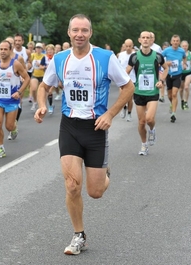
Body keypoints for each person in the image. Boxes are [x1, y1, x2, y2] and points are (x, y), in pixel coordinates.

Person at [34, 14, 134, 255]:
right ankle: (79, 235)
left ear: (90, 33)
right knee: (71, 185)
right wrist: (42, 105)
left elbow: (128, 87)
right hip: (69, 126)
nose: (80, 34)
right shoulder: (59, 59)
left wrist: (110, 114)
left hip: (96, 128)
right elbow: (43, 86)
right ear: (69, 33)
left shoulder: (105, 58)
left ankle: (104, 172)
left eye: (84, 30)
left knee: (95, 192)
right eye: (75, 30)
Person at [0, 40, 30, 158]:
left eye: (5, 49)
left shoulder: (16, 64)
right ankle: (0, 148)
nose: (3, 51)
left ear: (10, 50)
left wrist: (19, 92)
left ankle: (14, 129)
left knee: (9, 126)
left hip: (12, 100)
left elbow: (27, 78)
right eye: (1, 49)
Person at [126, 31, 168, 155]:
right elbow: (126, 72)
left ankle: (152, 129)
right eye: (143, 38)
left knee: (149, 119)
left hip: (152, 91)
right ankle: (144, 145)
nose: (145, 40)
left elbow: (166, 68)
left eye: (147, 38)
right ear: (139, 40)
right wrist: (127, 83)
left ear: (151, 41)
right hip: (139, 92)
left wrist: (161, 80)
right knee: (141, 122)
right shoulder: (134, 57)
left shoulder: (157, 56)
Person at [162, 34, 186, 123]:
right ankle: (172, 104)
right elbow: (159, 58)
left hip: (178, 74)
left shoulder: (181, 51)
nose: (175, 42)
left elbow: (184, 57)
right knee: (169, 95)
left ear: (179, 42)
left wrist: (184, 63)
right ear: (171, 42)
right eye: (174, 41)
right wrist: (166, 63)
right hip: (169, 74)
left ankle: (173, 114)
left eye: (177, 41)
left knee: (174, 94)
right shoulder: (166, 50)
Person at [117, 38, 135, 121]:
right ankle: (124, 108)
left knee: (130, 98)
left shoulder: (135, 55)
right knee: (122, 96)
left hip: (132, 79)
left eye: (130, 46)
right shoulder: (121, 55)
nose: (128, 48)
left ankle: (129, 113)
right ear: (124, 46)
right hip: (122, 79)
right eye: (126, 46)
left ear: (132, 46)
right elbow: (117, 66)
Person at [30, 42, 46, 111]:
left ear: (42, 49)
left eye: (39, 48)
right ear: (35, 49)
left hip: (43, 75)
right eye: (37, 48)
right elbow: (29, 62)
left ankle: (41, 105)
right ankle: (35, 101)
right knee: (33, 89)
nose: (38, 49)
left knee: (41, 91)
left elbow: (47, 65)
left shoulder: (44, 56)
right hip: (35, 75)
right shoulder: (33, 55)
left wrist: (41, 65)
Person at [40, 44, 55, 114]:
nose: (49, 51)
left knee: (50, 92)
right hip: (46, 77)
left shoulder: (55, 58)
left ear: (53, 51)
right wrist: (46, 67)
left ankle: (50, 106)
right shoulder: (44, 58)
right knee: (45, 92)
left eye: (51, 50)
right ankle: (44, 106)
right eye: (48, 50)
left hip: (54, 78)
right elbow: (41, 67)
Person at [179, 40, 191, 110]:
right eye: (183, 46)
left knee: (186, 87)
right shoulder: (178, 53)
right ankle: (182, 100)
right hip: (180, 73)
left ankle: (186, 101)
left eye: (186, 46)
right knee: (181, 89)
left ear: (188, 46)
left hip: (188, 72)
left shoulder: (190, 54)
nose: (184, 47)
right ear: (180, 46)